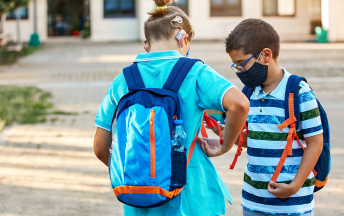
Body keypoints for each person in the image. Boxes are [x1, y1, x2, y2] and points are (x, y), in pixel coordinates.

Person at [93, 0, 249, 215]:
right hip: (192, 197)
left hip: (140, 200)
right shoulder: (195, 73)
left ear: (146, 45)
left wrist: (140, 173)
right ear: (183, 39)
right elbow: (240, 104)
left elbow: (101, 148)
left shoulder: (123, 81)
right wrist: (225, 145)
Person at [198, 19, 324, 216]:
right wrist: (227, 137)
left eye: (241, 64)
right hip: (252, 202)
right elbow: (256, 138)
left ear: (266, 55)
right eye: (235, 66)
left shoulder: (299, 91)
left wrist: (294, 186)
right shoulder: (249, 93)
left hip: (293, 205)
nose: (239, 71)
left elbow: (315, 143)